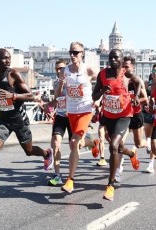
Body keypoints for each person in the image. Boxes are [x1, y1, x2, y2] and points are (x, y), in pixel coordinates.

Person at [0, 48, 54, 206]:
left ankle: (46, 154)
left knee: (29, 151)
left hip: (19, 120)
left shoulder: (13, 74)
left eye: (9, 58)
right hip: (4, 120)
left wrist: (14, 96)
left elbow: (31, 96)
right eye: (4, 58)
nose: (8, 61)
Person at [92, 49, 142, 201]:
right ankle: (131, 154)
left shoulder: (126, 73)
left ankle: (111, 185)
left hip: (124, 114)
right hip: (108, 115)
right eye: (111, 57)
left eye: (116, 57)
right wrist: (101, 91)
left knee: (113, 146)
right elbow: (94, 96)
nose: (113, 60)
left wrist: (137, 96)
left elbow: (138, 82)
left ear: (121, 60)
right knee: (119, 147)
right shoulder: (102, 74)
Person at [44, 59, 99, 186]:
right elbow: (57, 99)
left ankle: (93, 143)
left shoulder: (75, 79)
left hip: (74, 114)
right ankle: (57, 175)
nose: (59, 71)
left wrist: (95, 100)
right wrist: (49, 105)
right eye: (57, 69)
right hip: (61, 115)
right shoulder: (57, 82)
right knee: (56, 143)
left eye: (61, 68)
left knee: (77, 145)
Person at [59, 42, 99, 194]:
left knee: (73, 142)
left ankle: (70, 180)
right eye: (71, 52)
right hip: (71, 110)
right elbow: (62, 89)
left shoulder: (88, 69)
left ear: (82, 53)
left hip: (86, 109)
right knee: (79, 144)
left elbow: (101, 83)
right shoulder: (65, 71)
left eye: (75, 52)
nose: (72, 55)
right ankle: (94, 143)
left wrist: (98, 99)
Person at [115, 56, 149, 182]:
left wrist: (135, 100)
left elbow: (145, 100)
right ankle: (117, 172)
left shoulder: (136, 81)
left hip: (135, 114)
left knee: (138, 143)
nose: (124, 69)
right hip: (123, 116)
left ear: (133, 68)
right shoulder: (120, 79)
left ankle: (148, 143)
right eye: (123, 66)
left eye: (127, 67)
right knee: (119, 144)